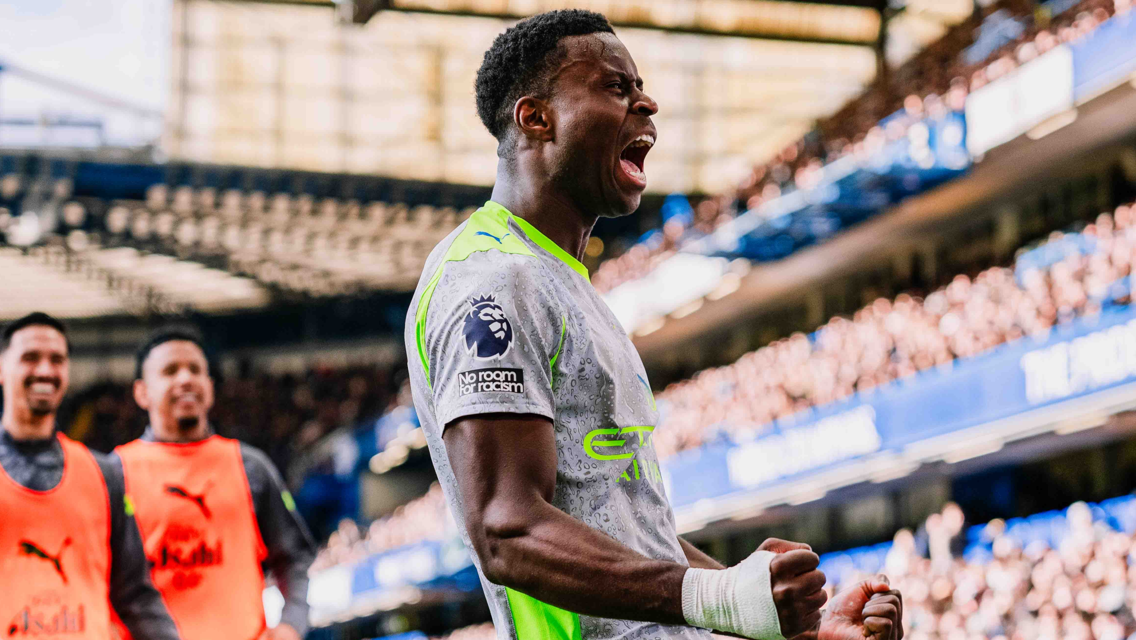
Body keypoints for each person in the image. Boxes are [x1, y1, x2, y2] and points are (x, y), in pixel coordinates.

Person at [405, 10, 903, 640]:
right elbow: (510, 529)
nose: (649, 104)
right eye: (616, 88)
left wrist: (784, 625)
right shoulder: (490, 278)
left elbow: (636, 538)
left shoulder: (559, 279)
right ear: (536, 118)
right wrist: (721, 597)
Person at [111, 328, 316, 640]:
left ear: (210, 386)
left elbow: (295, 557)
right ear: (141, 392)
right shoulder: (114, 473)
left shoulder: (250, 466)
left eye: (196, 369)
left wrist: (290, 626)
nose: (185, 379)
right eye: (169, 371)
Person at [0, 312, 180, 639]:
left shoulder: (102, 473)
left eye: (57, 359)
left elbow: (135, 594)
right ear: (2, 368)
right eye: (30, 358)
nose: (44, 370)